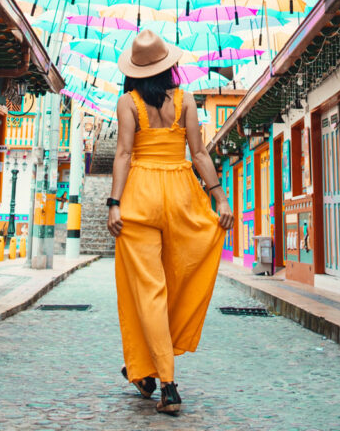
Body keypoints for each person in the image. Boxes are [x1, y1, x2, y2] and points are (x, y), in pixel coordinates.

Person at [107, 30, 233, 415]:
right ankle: (148, 369)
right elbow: (199, 153)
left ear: (134, 71)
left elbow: (124, 154)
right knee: (178, 279)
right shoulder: (186, 100)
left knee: (149, 292)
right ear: (168, 66)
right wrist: (220, 198)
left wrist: (114, 204)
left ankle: (166, 383)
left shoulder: (127, 102)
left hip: (140, 197)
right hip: (181, 195)